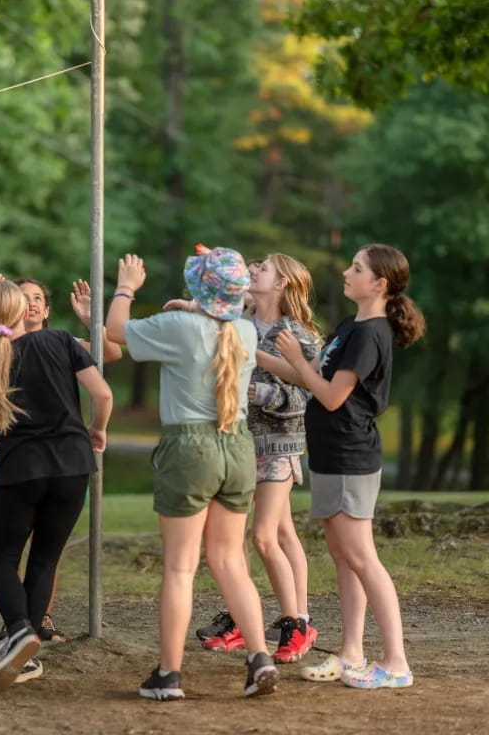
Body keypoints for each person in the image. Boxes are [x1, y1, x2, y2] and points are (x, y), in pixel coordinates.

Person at [106, 248, 279, 701]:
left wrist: (126, 286)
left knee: (181, 567)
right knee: (230, 561)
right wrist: (194, 307)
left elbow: (114, 330)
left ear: (197, 291)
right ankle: (259, 656)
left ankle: (169, 674)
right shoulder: (243, 329)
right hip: (238, 446)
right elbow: (216, 321)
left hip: (190, 448)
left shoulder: (178, 328)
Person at [263, 244, 425, 689]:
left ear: (379, 284)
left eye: (357, 268)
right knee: (341, 556)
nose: (346, 272)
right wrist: (250, 353)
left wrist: (297, 359)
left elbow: (331, 396)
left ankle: (396, 663)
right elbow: (308, 376)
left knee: (362, 557)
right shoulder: (349, 326)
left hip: (352, 454)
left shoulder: (371, 333)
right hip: (330, 455)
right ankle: (352, 652)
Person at [0, 279, 113, 690]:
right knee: (45, 560)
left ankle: (19, 632)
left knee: (1, 560)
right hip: (73, 466)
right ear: (21, 310)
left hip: (21, 471)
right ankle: (25, 654)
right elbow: (102, 396)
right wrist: (96, 432)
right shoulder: (62, 341)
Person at [188, 254, 320, 663]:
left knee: (265, 536)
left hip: (279, 446)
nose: (252, 273)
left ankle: (297, 623)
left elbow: (309, 394)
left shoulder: (295, 334)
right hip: (239, 444)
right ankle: (244, 621)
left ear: (281, 285)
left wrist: (263, 394)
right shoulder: (240, 323)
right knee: (256, 534)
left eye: (261, 270)